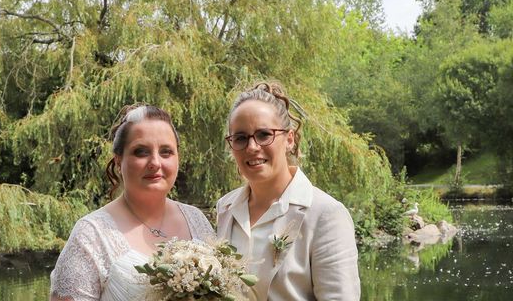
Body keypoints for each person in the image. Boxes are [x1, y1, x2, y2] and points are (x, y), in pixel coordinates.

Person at [50, 104, 215, 301]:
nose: (155, 162)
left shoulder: (196, 219)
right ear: (119, 161)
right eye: (141, 152)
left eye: (166, 152)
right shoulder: (91, 235)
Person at [216, 82, 360, 300]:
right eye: (241, 138)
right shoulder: (225, 208)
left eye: (264, 134)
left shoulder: (325, 214)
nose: (252, 147)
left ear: (289, 140)